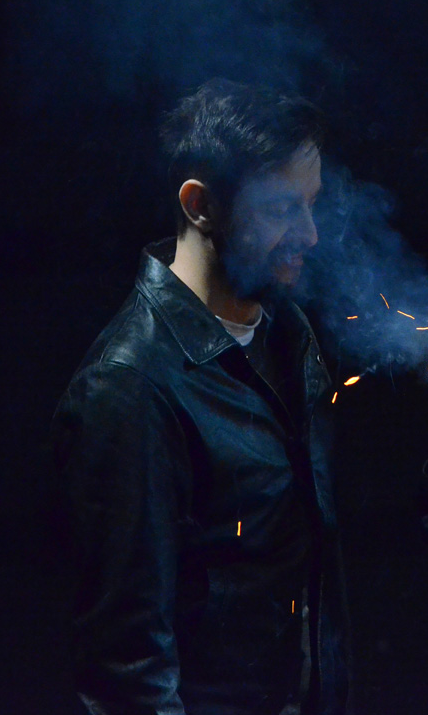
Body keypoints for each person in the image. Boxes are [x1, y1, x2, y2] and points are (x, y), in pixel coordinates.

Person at [53, 79, 348, 715]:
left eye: (312, 204)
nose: (310, 234)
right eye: (282, 209)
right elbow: (128, 667)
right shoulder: (128, 384)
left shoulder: (286, 334)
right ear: (200, 205)